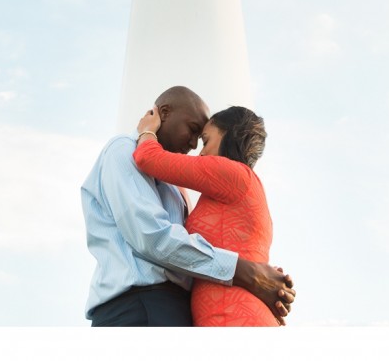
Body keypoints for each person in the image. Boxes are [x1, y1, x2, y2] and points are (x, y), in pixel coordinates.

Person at [81, 85, 294, 326]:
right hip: (140, 306)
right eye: (194, 132)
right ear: (163, 112)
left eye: (203, 139)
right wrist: (246, 272)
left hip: (175, 308)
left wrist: (266, 282)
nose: (195, 146)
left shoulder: (178, 187)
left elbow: (199, 250)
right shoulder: (124, 149)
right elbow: (152, 237)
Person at [134, 103, 278, 326]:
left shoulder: (232, 174)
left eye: (206, 140)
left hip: (232, 319)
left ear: (230, 135)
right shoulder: (242, 187)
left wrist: (147, 129)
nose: (200, 151)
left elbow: (147, 158)